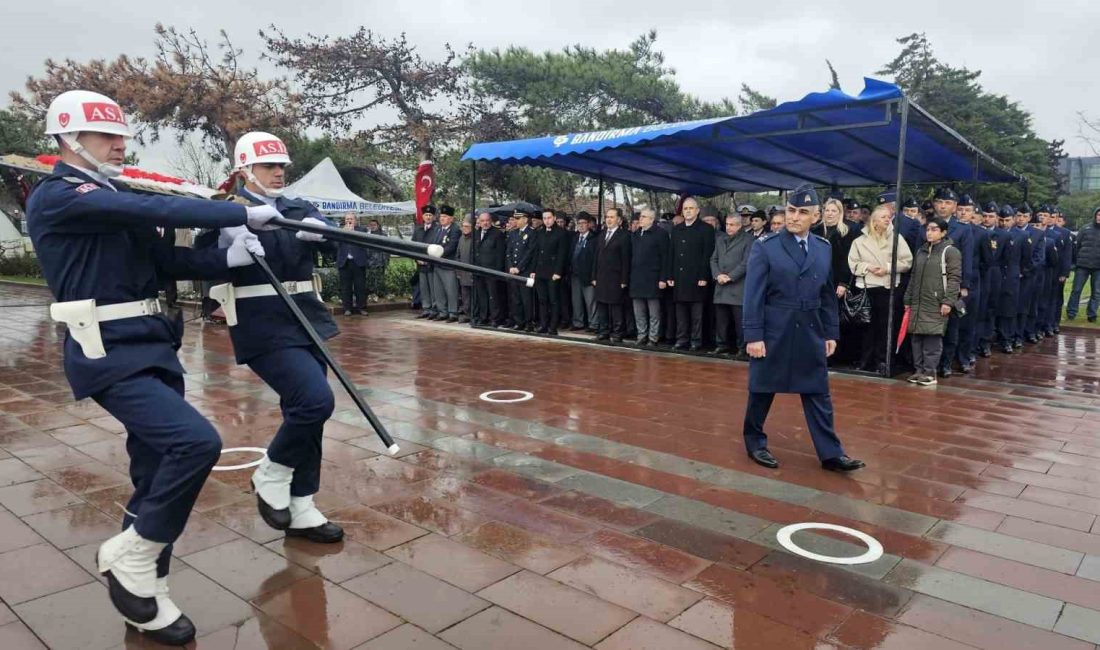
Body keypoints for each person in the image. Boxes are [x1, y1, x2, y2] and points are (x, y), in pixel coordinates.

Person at [27, 90, 278, 644]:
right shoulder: (60, 196)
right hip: (107, 349)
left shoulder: (110, 195)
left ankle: (145, 594)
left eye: (122, 136)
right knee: (194, 443)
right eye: (105, 136)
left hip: (152, 341)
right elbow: (153, 208)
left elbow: (167, 260)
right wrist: (237, 209)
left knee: (152, 474)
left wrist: (228, 258)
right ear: (69, 139)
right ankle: (130, 556)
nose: (120, 146)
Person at [210, 131, 345, 549]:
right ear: (245, 170)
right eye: (269, 166)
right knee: (315, 401)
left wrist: (323, 232)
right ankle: (271, 471)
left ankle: (302, 503)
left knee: (306, 414)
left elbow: (335, 239)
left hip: (306, 317)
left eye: (281, 165)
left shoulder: (297, 207)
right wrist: (223, 239)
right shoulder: (227, 209)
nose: (278, 172)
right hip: (262, 321)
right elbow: (201, 256)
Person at [741, 185, 864, 473]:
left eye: (802, 212)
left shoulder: (823, 248)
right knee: (761, 389)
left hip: (810, 329)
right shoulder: (766, 246)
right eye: (791, 211)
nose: (794, 217)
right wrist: (753, 336)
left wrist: (831, 332)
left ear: (816, 216)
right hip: (774, 330)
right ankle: (755, 442)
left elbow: (826, 294)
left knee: (818, 391)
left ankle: (832, 453)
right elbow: (753, 295)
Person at [847, 204, 913, 374]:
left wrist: (889, 268)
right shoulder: (859, 241)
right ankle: (866, 360)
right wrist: (867, 267)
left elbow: (907, 262)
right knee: (867, 327)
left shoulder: (897, 239)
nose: (887, 219)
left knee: (886, 327)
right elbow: (853, 263)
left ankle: (883, 360)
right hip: (867, 288)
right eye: (883, 217)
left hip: (889, 288)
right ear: (874, 220)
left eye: (889, 217)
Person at [903, 217, 963, 386]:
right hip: (918, 301)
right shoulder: (921, 251)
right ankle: (918, 370)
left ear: (943, 233)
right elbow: (914, 277)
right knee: (916, 338)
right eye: (928, 229)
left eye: (934, 229)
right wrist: (908, 298)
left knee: (932, 338)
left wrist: (948, 302)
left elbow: (954, 279)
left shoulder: (950, 252)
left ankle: (930, 372)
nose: (929, 233)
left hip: (935, 301)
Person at [932, 188, 973, 378]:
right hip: (930, 284)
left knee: (951, 328)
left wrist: (964, 286)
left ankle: (946, 364)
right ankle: (929, 363)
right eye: (940, 201)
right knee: (930, 325)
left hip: (951, 284)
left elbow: (967, 259)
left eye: (948, 203)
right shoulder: (928, 226)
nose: (943, 206)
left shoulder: (963, 230)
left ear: (955, 206)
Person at [668, 197, 716, 351]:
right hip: (680, 277)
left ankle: (696, 340)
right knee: (680, 312)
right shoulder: (676, 229)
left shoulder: (706, 229)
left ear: (697, 211)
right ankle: (682, 339)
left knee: (697, 314)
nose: (688, 211)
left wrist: (703, 276)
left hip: (696, 278)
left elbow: (707, 254)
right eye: (685, 209)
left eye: (691, 208)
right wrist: (670, 275)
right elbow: (672, 254)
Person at [711, 212, 752, 357]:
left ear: (740, 225)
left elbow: (746, 263)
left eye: (732, 225)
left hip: (737, 287)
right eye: (727, 224)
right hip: (721, 287)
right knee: (721, 321)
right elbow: (713, 259)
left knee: (739, 321)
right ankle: (721, 345)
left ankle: (742, 347)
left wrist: (730, 277)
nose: (728, 227)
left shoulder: (748, 240)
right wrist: (717, 275)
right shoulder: (720, 239)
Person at [629, 208, 670, 346]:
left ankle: (653, 337)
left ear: (652, 219)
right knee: (638, 311)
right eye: (641, 216)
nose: (641, 219)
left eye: (644, 217)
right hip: (636, 278)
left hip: (653, 277)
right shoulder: (635, 234)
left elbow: (665, 258)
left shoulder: (660, 234)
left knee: (654, 312)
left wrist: (663, 278)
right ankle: (642, 335)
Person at [593, 208, 631, 342]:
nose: (608, 219)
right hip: (602, 277)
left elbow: (626, 260)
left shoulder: (625, 235)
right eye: (607, 217)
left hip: (616, 278)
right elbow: (596, 257)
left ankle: (617, 332)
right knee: (602, 305)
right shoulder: (602, 235)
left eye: (612, 217)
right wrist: (594, 276)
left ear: (619, 220)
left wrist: (624, 279)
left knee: (616, 306)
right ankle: (603, 331)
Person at [531, 209, 569, 335]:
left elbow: (562, 254)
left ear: (553, 218)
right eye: (545, 218)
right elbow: (536, 252)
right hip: (540, 271)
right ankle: (543, 324)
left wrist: (558, 271)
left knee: (553, 300)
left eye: (549, 218)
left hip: (553, 272)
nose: (547, 220)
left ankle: (553, 326)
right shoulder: (540, 232)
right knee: (542, 300)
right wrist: (533, 270)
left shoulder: (561, 233)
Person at [976, 201, 1005, 357]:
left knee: (990, 309)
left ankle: (985, 341)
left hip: (994, 275)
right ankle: (976, 341)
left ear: (996, 218)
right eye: (985, 216)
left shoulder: (1003, 235)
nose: (987, 219)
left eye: (991, 216)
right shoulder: (975, 231)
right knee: (977, 310)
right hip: (978, 274)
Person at [995, 204, 1024, 353]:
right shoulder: (994, 233)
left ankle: (1007, 338)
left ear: (1013, 220)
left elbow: (1026, 257)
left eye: (1007, 220)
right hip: (996, 274)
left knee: (1009, 309)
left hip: (1012, 275)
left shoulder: (1021, 235)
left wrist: (1019, 272)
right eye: (1001, 220)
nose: (1004, 223)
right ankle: (994, 336)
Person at [1066, 207, 1100, 323]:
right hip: (1082, 265)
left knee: (1096, 292)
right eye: (1098, 215)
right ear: (1095, 216)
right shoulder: (1085, 228)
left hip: (1098, 267)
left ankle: (1092, 314)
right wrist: (1076, 262)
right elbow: (1077, 245)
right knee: (1076, 289)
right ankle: (1071, 312)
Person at [472, 211, 506, 326]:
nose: (485, 223)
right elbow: (474, 251)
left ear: (491, 221)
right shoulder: (476, 233)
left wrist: (497, 271)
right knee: (482, 295)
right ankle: (483, 317)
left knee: (493, 296)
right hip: (479, 270)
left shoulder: (497, 234)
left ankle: (495, 318)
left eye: (487, 220)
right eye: (482, 221)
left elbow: (500, 254)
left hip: (492, 270)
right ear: (479, 222)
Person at [506, 209, 537, 330]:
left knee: (526, 298)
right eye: (515, 218)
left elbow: (530, 253)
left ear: (525, 219)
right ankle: (519, 321)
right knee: (516, 298)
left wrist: (519, 267)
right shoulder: (513, 233)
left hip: (525, 271)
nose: (516, 221)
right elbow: (508, 251)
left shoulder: (532, 233)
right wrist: (511, 267)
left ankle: (529, 322)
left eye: (518, 219)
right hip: (513, 270)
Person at [430, 205, 461, 322]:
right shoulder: (438, 229)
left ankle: (453, 313)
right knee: (439, 290)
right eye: (441, 216)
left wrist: (437, 253)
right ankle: (442, 311)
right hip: (437, 264)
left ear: (451, 218)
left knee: (451, 290)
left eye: (445, 216)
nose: (442, 218)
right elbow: (433, 243)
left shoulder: (455, 230)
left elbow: (452, 246)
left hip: (448, 265)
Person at [569, 212, 598, 330]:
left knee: (591, 301)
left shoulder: (594, 239)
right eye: (578, 223)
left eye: (583, 223)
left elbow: (595, 260)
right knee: (576, 301)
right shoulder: (575, 238)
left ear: (589, 224)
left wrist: (594, 276)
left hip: (588, 276)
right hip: (575, 274)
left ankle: (594, 324)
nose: (581, 225)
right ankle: (578, 322)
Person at [335, 212, 368, 316]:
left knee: (360, 287)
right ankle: (347, 309)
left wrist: (352, 231)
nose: (349, 221)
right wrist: (342, 233)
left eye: (351, 219)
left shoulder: (361, 230)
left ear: (355, 220)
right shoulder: (340, 230)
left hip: (358, 262)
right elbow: (336, 244)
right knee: (345, 287)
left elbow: (363, 242)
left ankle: (361, 308)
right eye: (347, 219)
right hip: (345, 262)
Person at [413, 205, 438, 318]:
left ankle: (434, 309)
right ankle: (426, 308)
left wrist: (429, 259)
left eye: (430, 215)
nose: (428, 217)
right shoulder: (418, 229)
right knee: (423, 287)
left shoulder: (437, 229)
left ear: (433, 217)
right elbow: (412, 246)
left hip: (432, 264)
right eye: (426, 215)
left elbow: (438, 247)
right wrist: (417, 258)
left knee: (433, 288)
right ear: (422, 216)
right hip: (420, 264)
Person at [456, 216, 475, 323]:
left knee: (473, 295)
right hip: (463, 272)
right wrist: (458, 270)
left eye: (467, 226)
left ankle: (474, 314)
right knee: (465, 295)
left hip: (472, 272)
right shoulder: (461, 238)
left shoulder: (475, 239)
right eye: (463, 226)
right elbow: (457, 255)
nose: (464, 228)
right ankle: (467, 314)